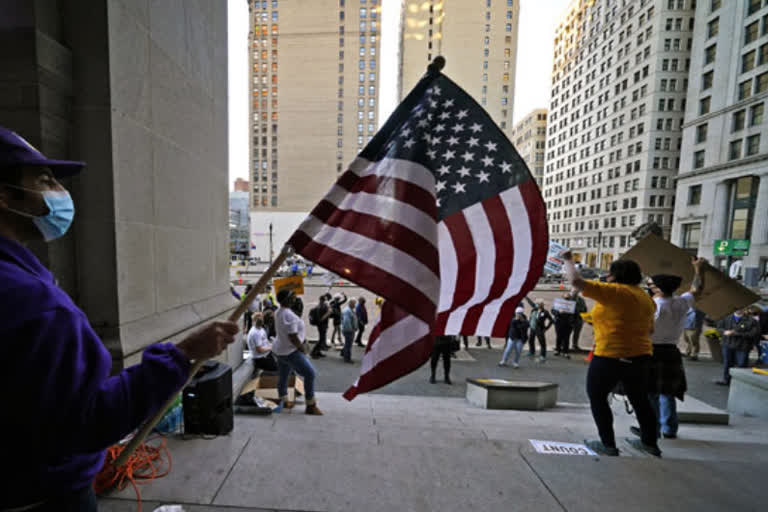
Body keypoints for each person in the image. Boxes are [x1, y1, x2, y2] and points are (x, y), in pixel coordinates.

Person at [0, 126, 239, 510]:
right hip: (42, 495)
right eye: (43, 180)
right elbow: (87, 422)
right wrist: (181, 356)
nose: (58, 193)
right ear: (5, 196)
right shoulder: (35, 304)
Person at [562, 250, 662, 458]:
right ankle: (649, 443)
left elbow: (576, 281)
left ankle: (608, 444)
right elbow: (649, 329)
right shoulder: (645, 298)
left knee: (597, 397)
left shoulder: (615, 291)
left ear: (616, 276)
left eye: (609, 273)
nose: (607, 276)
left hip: (610, 354)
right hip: (641, 355)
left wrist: (568, 259)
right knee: (640, 399)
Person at [633, 263, 705, 441]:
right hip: (672, 351)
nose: (649, 288)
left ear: (657, 288)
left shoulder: (653, 307)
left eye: (650, 285)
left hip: (651, 350)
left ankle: (652, 428)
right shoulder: (681, 302)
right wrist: (699, 270)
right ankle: (669, 428)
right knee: (668, 392)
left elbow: (645, 331)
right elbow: (697, 288)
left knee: (650, 392)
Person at [272, 288, 322, 415]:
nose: (295, 299)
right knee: (310, 374)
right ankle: (310, 405)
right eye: (293, 297)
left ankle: (283, 400)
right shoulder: (289, 315)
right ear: (288, 300)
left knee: (283, 375)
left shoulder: (278, 312)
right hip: (290, 351)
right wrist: (302, 348)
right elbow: (293, 336)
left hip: (279, 350)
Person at [716, 308, 760, 385]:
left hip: (743, 346)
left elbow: (754, 334)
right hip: (727, 344)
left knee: (742, 364)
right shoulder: (726, 317)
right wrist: (724, 332)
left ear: (745, 308)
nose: (739, 309)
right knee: (727, 363)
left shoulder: (751, 320)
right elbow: (719, 328)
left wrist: (736, 333)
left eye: (741, 307)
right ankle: (726, 380)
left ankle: (741, 383)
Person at [524, 297, 553, 362]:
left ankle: (543, 356)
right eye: (536, 303)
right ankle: (532, 352)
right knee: (531, 340)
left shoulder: (545, 312)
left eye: (538, 303)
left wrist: (546, 328)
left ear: (541, 304)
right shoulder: (534, 309)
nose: (536, 304)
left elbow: (551, 320)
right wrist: (526, 297)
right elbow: (531, 303)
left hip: (540, 329)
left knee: (542, 343)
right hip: (532, 328)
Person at [552, 293, 575, 358]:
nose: (567, 299)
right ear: (562, 297)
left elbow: (575, 313)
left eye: (568, 298)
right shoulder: (558, 303)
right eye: (565, 298)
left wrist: (572, 319)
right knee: (559, 336)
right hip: (559, 322)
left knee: (566, 338)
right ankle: (558, 350)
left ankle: (565, 351)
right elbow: (552, 310)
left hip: (568, 323)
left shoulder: (572, 304)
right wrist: (558, 312)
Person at [310, 294, 332, 359]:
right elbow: (322, 318)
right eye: (325, 300)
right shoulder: (320, 307)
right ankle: (313, 352)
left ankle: (318, 352)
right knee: (321, 339)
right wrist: (328, 313)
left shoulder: (322, 306)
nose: (326, 301)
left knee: (322, 339)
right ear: (322, 300)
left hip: (323, 325)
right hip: (321, 325)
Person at [340, 299, 358, 363]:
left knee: (347, 344)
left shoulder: (349, 310)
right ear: (350, 303)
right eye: (354, 303)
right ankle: (347, 358)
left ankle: (343, 353)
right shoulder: (348, 311)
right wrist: (351, 330)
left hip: (348, 330)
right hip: (349, 331)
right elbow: (346, 322)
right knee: (349, 345)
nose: (355, 305)